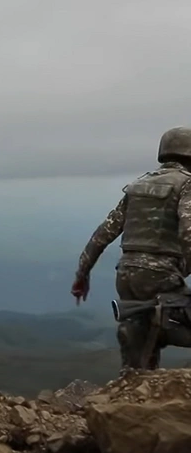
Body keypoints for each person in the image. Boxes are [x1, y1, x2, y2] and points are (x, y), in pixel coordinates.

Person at [72, 126, 191, 371]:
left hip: (126, 274)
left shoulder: (138, 186)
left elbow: (102, 234)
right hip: (162, 276)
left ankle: (136, 376)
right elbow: (189, 233)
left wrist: (82, 275)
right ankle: (161, 329)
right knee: (172, 319)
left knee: (139, 343)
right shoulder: (187, 185)